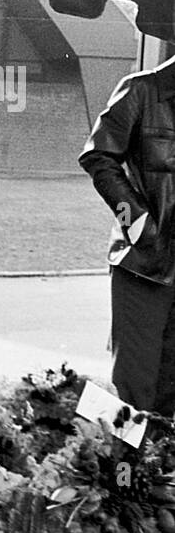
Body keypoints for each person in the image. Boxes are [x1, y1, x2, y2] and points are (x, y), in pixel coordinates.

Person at [80, 54, 175, 416]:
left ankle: (159, 471)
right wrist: (135, 222)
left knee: (171, 388)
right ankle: (124, 473)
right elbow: (98, 156)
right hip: (144, 262)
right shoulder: (140, 90)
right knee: (135, 390)